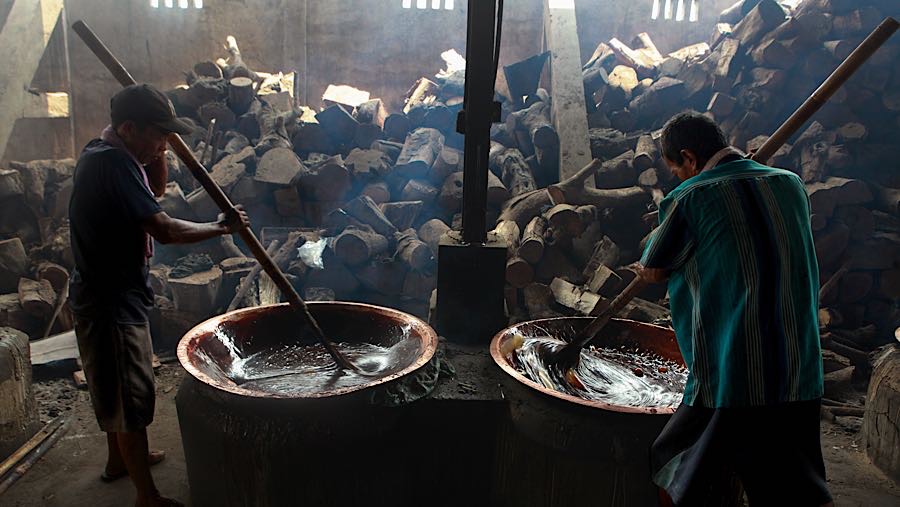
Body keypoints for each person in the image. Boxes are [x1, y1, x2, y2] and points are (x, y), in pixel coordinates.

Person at [68, 83, 250, 507]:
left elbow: (156, 192)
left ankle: (119, 461)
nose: (164, 143)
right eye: (158, 133)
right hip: (110, 299)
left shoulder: (112, 151)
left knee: (114, 387)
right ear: (129, 128)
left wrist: (160, 148)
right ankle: (146, 498)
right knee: (130, 396)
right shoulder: (111, 164)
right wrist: (223, 228)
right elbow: (165, 228)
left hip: (109, 292)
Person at [638, 112, 832, 506]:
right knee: (799, 482)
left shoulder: (690, 197)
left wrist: (646, 260)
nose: (678, 177)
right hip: (798, 365)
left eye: (676, 168)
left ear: (689, 158)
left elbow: (654, 269)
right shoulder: (789, 183)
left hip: (735, 371)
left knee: (673, 462)